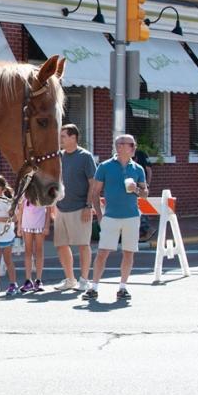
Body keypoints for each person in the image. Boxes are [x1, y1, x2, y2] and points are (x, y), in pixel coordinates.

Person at [83, 134, 148, 301]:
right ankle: (93, 287)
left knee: (128, 253)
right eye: (131, 145)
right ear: (119, 146)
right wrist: (99, 214)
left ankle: (123, 287)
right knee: (103, 252)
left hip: (132, 217)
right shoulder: (105, 167)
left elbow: (145, 194)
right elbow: (95, 192)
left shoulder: (138, 169)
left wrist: (136, 189)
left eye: (133, 145)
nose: (134, 147)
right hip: (110, 217)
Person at [53, 123, 97, 292]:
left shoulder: (85, 156)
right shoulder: (58, 156)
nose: (60, 139)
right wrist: (53, 205)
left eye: (63, 136)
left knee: (83, 244)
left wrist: (88, 206)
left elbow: (93, 183)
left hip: (80, 208)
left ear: (73, 137)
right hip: (60, 208)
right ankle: (70, 279)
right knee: (61, 245)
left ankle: (84, 280)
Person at [17, 198, 52, 293]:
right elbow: (21, 210)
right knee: (28, 251)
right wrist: (19, 226)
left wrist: (47, 226)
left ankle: (38, 280)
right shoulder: (24, 194)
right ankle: (28, 280)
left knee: (39, 251)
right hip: (26, 225)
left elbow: (48, 210)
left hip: (40, 225)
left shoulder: (43, 194)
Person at [132, 147, 156, 241]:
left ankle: (147, 230)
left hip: (140, 186)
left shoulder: (141, 154)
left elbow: (149, 170)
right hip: (130, 186)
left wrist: (147, 185)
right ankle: (140, 232)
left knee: (141, 208)